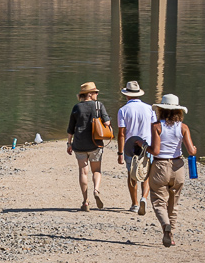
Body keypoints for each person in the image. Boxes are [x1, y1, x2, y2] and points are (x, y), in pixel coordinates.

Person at [149, 93, 197, 248]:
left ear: (161, 110)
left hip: (160, 166)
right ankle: (172, 234)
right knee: (174, 202)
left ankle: (165, 226)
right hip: (177, 167)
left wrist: (143, 145)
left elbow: (155, 151)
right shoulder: (183, 127)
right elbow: (191, 151)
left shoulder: (157, 126)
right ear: (178, 111)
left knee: (158, 201)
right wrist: (194, 149)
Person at [65, 81, 110, 211]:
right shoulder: (98, 105)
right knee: (96, 170)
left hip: (79, 144)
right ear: (89, 94)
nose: (97, 94)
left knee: (83, 172)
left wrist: (69, 143)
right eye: (95, 92)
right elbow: (107, 122)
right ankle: (96, 190)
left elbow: (70, 129)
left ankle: (85, 202)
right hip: (95, 144)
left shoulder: (76, 107)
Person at [115, 80, 156, 215]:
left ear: (127, 95)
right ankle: (144, 198)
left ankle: (134, 204)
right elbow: (155, 129)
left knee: (132, 175)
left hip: (129, 147)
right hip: (147, 145)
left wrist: (120, 153)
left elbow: (121, 134)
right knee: (146, 174)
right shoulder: (150, 108)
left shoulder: (123, 110)